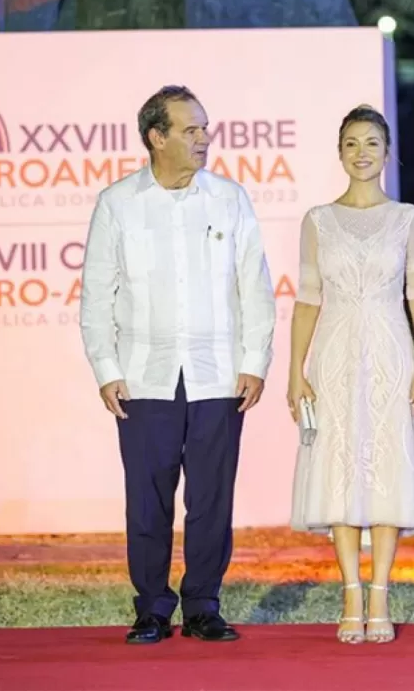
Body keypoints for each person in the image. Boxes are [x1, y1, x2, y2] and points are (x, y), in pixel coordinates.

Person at [79, 85, 276, 645]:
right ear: (155, 137)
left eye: (205, 128)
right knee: (148, 498)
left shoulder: (229, 198)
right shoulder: (117, 204)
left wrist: (255, 360)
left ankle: (203, 605)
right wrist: (105, 369)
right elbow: (96, 297)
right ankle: (151, 608)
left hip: (218, 374)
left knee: (212, 497)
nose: (203, 140)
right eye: (190, 130)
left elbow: (254, 288)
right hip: (143, 375)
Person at [287, 104, 414, 644]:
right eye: (351, 143)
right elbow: (308, 299)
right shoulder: (317, 220)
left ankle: (380, 594)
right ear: (339, 152)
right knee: (340, 466)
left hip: (391, 352)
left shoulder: (407, 218)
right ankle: (350, 592)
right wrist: (294, 371)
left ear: (386, 151)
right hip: (331, 355)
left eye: (371, 143)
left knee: (387, 467)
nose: (361, 153)